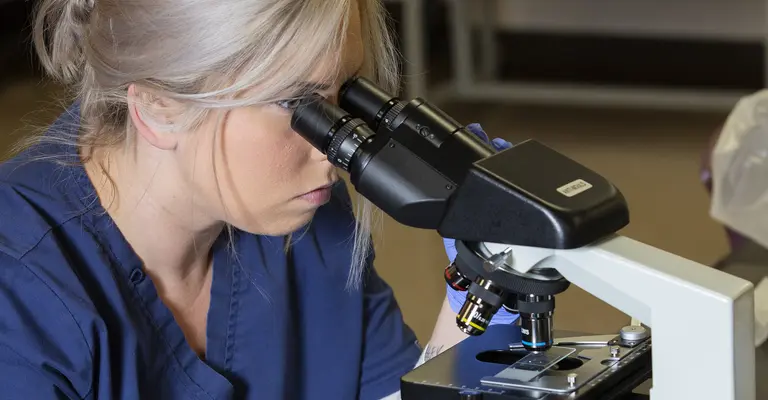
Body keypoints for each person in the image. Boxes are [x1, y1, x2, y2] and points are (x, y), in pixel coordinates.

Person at [0, 0, 517, 398]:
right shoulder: (19, 291)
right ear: (159, 105)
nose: (336, 149)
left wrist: (482, 295)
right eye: (298, 103)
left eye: (345, 96)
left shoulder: (305, 221)